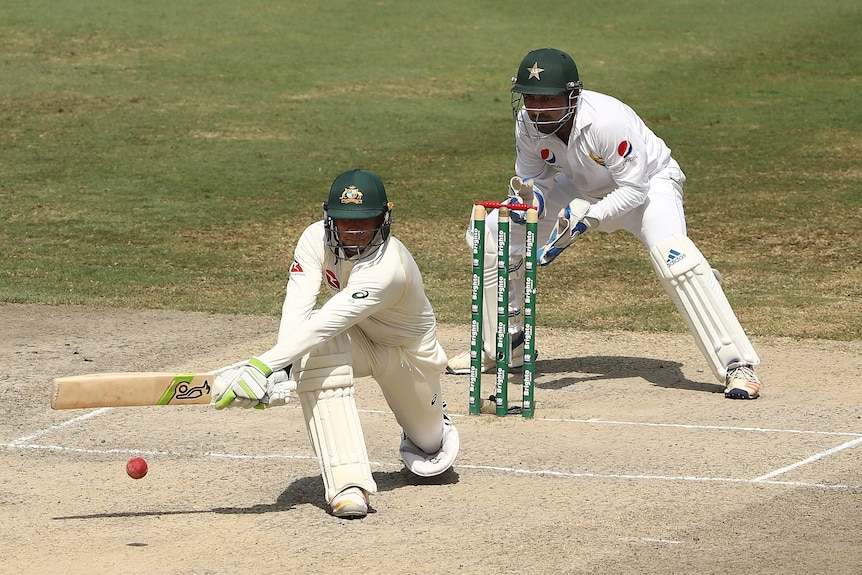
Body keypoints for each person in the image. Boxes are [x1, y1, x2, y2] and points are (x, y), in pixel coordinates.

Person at [447, 47, 763, 400]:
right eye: (529, 97)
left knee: (676, 260)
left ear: (572, 95)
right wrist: (528, 204)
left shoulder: (606, 120)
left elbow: (634, 189)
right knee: (493, 232)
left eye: (546, 99)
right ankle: (507, 344)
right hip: (582, 187)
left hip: (649, 187)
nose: (536, 108)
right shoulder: (527, 123)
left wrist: (588, 217)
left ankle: (737, 365)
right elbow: (535, 180)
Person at [213, 169, 459, 518]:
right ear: (330, 219)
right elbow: (298, 309)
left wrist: (265, 366)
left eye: (366, 221)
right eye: (345, 222)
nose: (355, 232)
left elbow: (330, 319)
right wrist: (286, 368)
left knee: (430, 451)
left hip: (408, 355)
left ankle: (433, 423)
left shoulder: (388, 267)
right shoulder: (314, 239)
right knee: (316, 353)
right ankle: (348, 485)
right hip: (359, 337)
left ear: (384, 219)